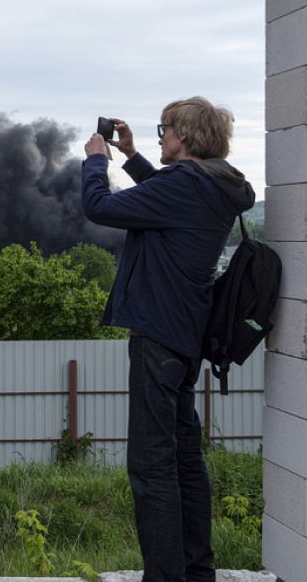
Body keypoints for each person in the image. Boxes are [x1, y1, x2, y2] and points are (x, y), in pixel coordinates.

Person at [81, 97, 255, 582]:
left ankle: (165, 578)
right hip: (185, 335)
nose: (160, 137)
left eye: (165, 129)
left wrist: (98, 161)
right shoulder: (216, 185)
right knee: (183, 457)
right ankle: (197, 571)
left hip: (157, 335)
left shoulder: (185, 185)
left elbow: (100, 207)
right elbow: (166, 194)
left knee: (152, 465)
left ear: (186, 137)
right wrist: (133, 156)